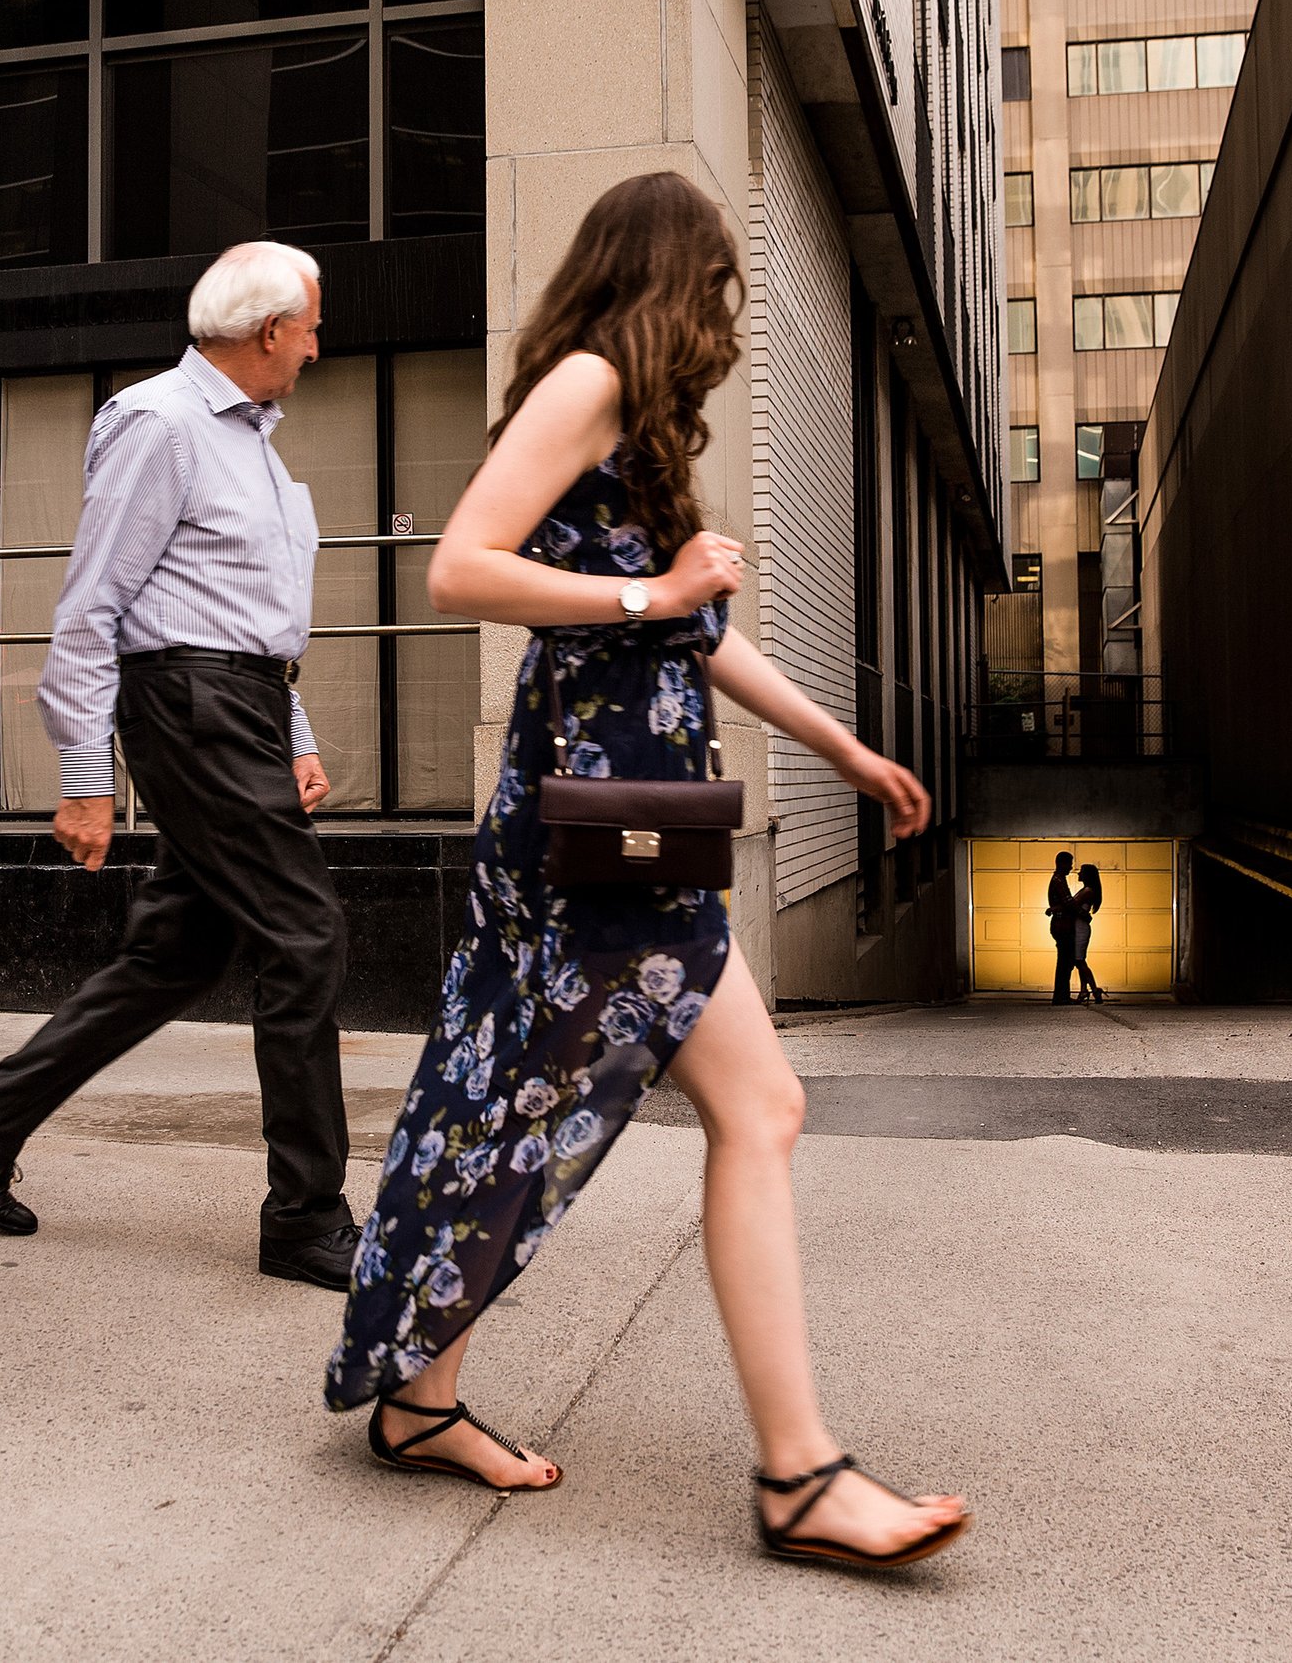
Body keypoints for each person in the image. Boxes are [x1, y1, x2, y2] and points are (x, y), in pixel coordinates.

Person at [323, 173, 971, 1573]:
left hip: (633, 824)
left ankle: (423, 1400)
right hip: (599, 839)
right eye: (724, 289)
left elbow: (704, 640)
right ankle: (799, 1473)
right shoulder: (589, 381)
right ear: (674, 278)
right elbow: (459, 568)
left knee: (534, 1098)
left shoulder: (633, 417)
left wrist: (844, 748)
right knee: (719, 1102)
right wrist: (650, 593)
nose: (731, 321)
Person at [0, 241, 360, 1290]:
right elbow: (92, 604)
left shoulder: (252, 442)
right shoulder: (159, 422)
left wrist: (292, 737)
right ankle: (305, 1214)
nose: (316, 339)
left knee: (174, 954)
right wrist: (84, 771)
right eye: (310, 320)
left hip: (240, 702)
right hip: (189, 706)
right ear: (267, 331)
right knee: (306, 936)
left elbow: (253, 621)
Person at [1047, 849, 1081, 1004]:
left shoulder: (1057, 879)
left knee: (1065, 961)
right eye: (1069, 864)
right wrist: (1082, 913)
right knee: (1065, 962)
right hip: (1062, 925)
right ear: (1061, 863)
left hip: (1060, 924)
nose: (1071, 867)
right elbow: (1068, 902)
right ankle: (1062, 996)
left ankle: (1061, 995)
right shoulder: (1059, 880)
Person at [1072, 863, 1108, 1004]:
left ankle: (1094, 990)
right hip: (1078, 927)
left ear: (1087, 875)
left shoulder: (1088, 891)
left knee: (1079, 961)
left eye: (1081, 872)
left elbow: (1072, 905)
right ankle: (1084, 991)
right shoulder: (1085, 889)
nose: (1078, 874)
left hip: (1080, 929)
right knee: (1079, 961)